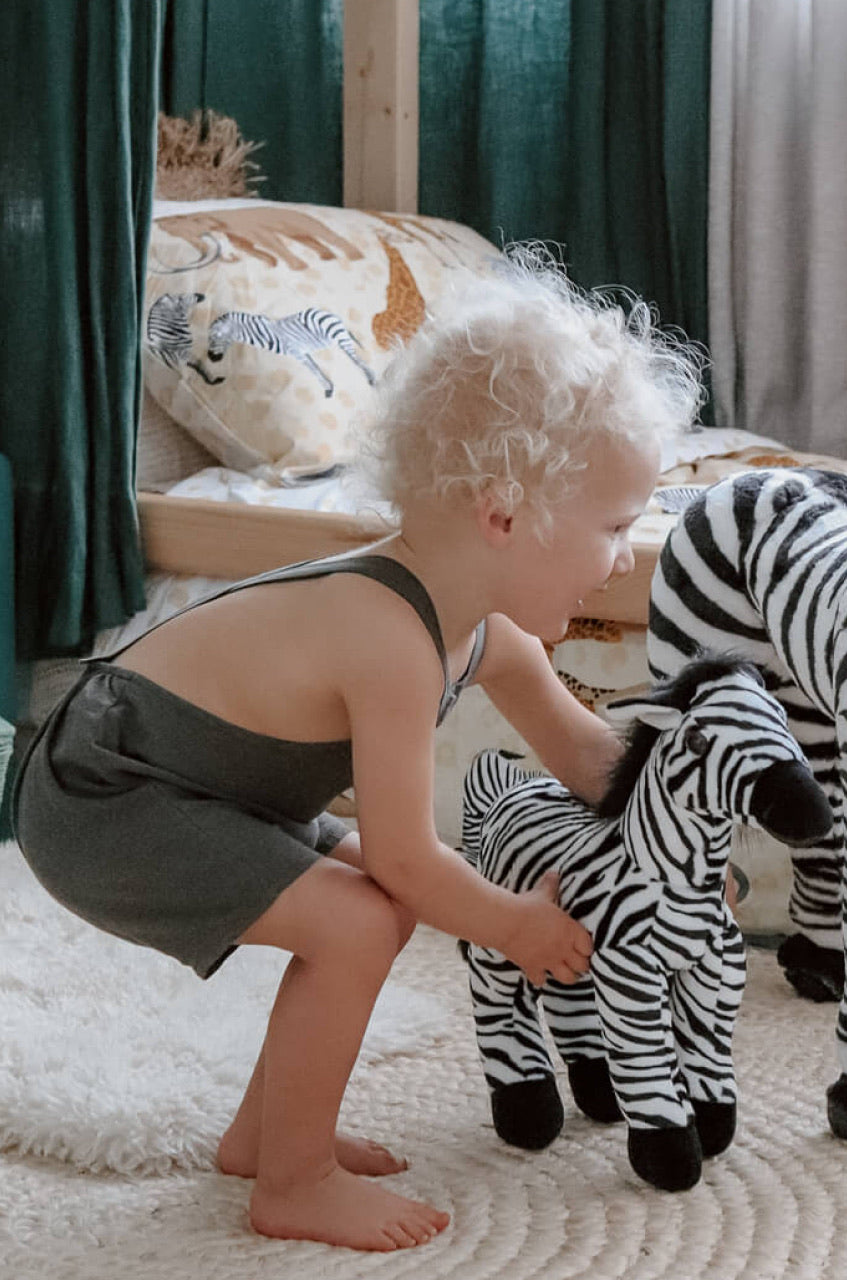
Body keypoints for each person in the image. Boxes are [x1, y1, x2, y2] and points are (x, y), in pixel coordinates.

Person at [11, 245, 704, 1252]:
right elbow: (407, 859)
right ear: (505, 513)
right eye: (612, 526)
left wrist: (685, 845)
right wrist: (515, 923)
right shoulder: (389, 640)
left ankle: (262, 1136)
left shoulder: (484, 629)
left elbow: (589, 755)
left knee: (365, 908)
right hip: (105, 792)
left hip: (210, 786)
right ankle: (292, 1182)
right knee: (358, 917)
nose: (621, 559)